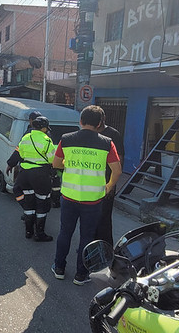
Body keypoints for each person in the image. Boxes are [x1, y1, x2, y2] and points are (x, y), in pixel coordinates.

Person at [51, 105, 122, 285]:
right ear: (99, 124)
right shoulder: (107, 142)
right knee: (87, 237)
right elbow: (117, 170)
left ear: (81, 121)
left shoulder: (66, 139)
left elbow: (56, 164)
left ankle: (59, 268)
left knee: (65, 233)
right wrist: (109, 186)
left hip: (68, 197)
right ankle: (80, 275)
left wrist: (71, 163)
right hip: (93, 201)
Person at [6, 116, 56, 241]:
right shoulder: (47, 140)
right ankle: (39, 234)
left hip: (25, 174)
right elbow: (52, 159)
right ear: (44, 128)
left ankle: (28, 231)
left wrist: (10, 164)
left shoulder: (25, 138)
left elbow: (20, 153)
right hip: (40, 175)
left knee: (28, 202)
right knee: (42, 202)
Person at [95, 110, 125, 245]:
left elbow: (120, 159)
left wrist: (112, 184)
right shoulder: (90, 133)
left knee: (104, 219)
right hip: (91, 183)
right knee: (91, 218)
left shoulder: (113, 134)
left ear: (103, 118)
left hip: (107, 182)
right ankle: (91, 247)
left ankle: (105, 249)